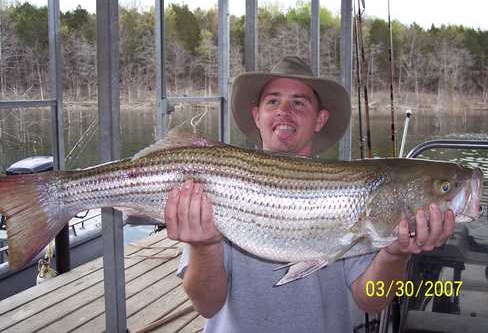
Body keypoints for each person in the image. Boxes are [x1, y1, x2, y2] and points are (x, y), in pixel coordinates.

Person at [164, 56, 455, 332]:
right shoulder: (219, 181)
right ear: (257, 115)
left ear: (320, 119)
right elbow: (207, 304)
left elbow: (372, 300)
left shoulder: (360, 194)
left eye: (299, 103)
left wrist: (396, 254)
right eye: (273, 101)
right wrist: (204, 247)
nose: (284, 111)